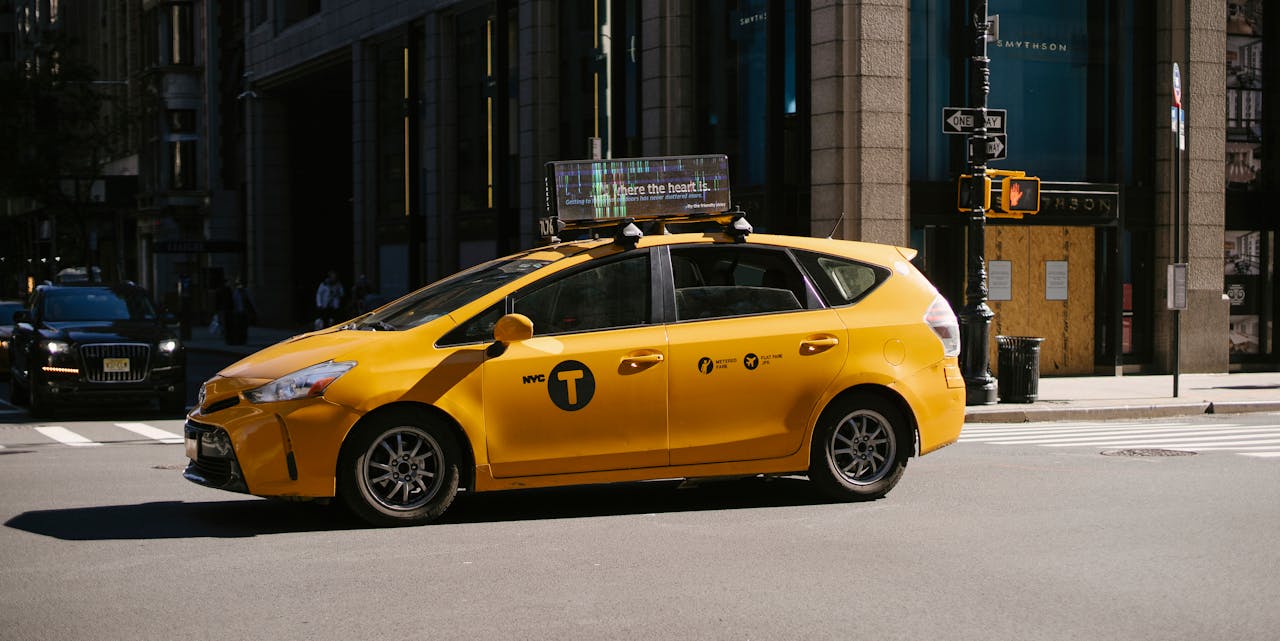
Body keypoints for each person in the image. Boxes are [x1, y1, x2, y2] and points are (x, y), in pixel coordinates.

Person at [225, 276, 256, 345]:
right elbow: (234, 302)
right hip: (238, 312)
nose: (240, 286)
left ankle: (243, 340)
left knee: (244, 327)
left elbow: (251, 302)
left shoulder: (246, 292)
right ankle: (239, 340)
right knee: (239, 327)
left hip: (244, 312)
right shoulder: (236, 293)